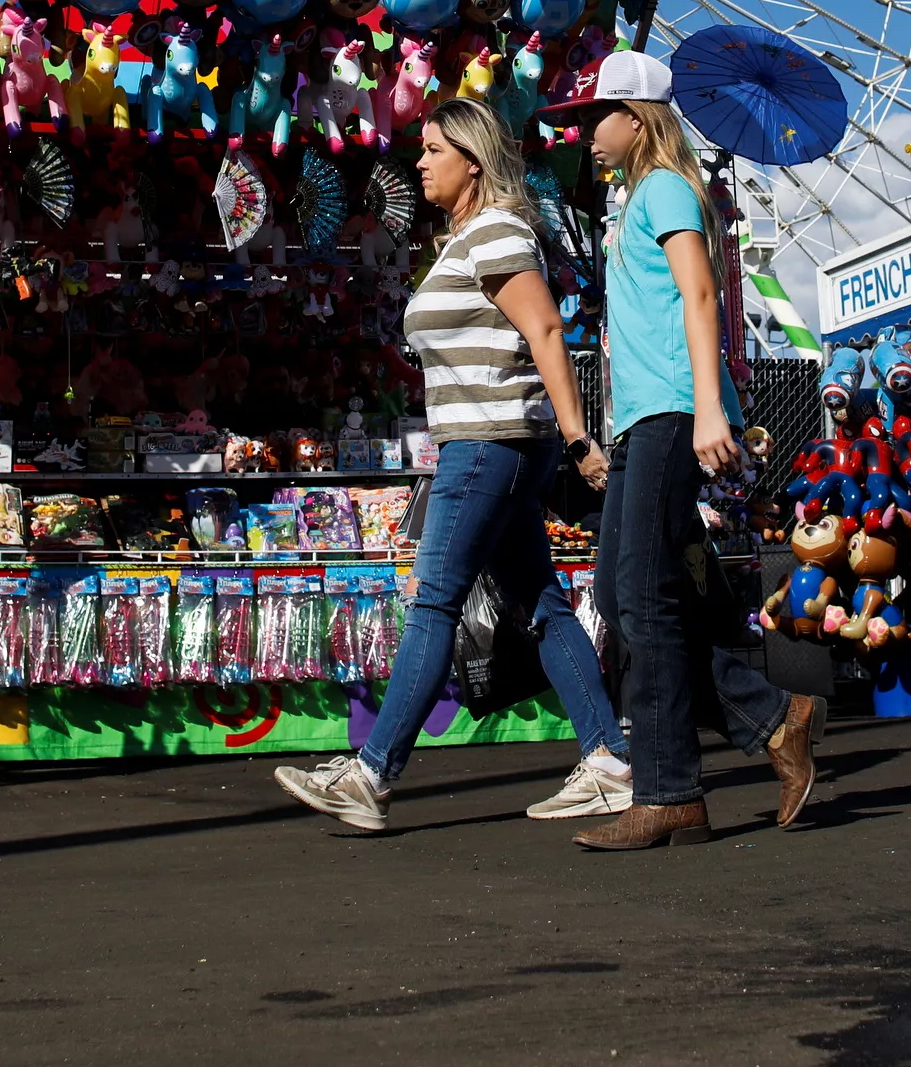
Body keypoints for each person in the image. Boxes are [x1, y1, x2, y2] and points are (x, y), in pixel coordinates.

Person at [273, 100, 628, 832]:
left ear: (472, 158)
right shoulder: (465, 238)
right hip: (487, 442)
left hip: (489, 444)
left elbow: (546, 327)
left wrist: (575, 436)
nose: (421, 162)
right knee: (541, 602)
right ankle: (607, 760)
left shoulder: (496, 229)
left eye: (434, 149)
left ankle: (372, 774)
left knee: (435, 599)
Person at [554, 50, 815, 849]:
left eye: (596, 117)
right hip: (642, 415)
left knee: (642, 597)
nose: (585, 132)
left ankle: (671, 790)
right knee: (634, 590)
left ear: (637, 119)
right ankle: (773, 717)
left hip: (672, 406)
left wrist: (709, 407)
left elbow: (701, 293)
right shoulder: (633, 198)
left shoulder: (665, 187)